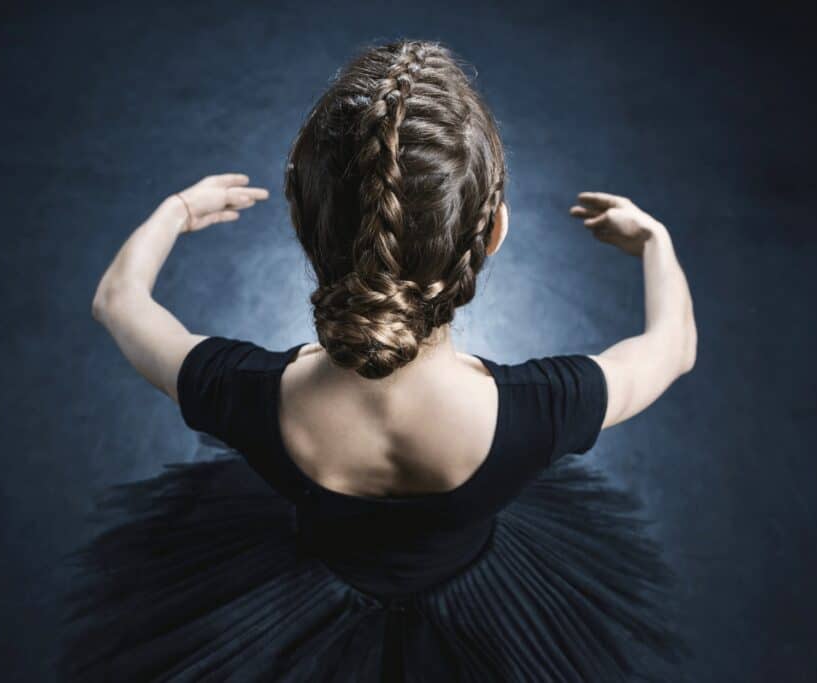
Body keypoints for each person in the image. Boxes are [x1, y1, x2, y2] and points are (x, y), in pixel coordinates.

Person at [60, 39, 697, 682]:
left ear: (300, 218)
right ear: (494, 231)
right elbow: (673, 348)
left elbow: (118, 301)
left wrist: (175, 213)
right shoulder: (547, 408)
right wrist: (656, 244)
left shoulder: (243, 393)